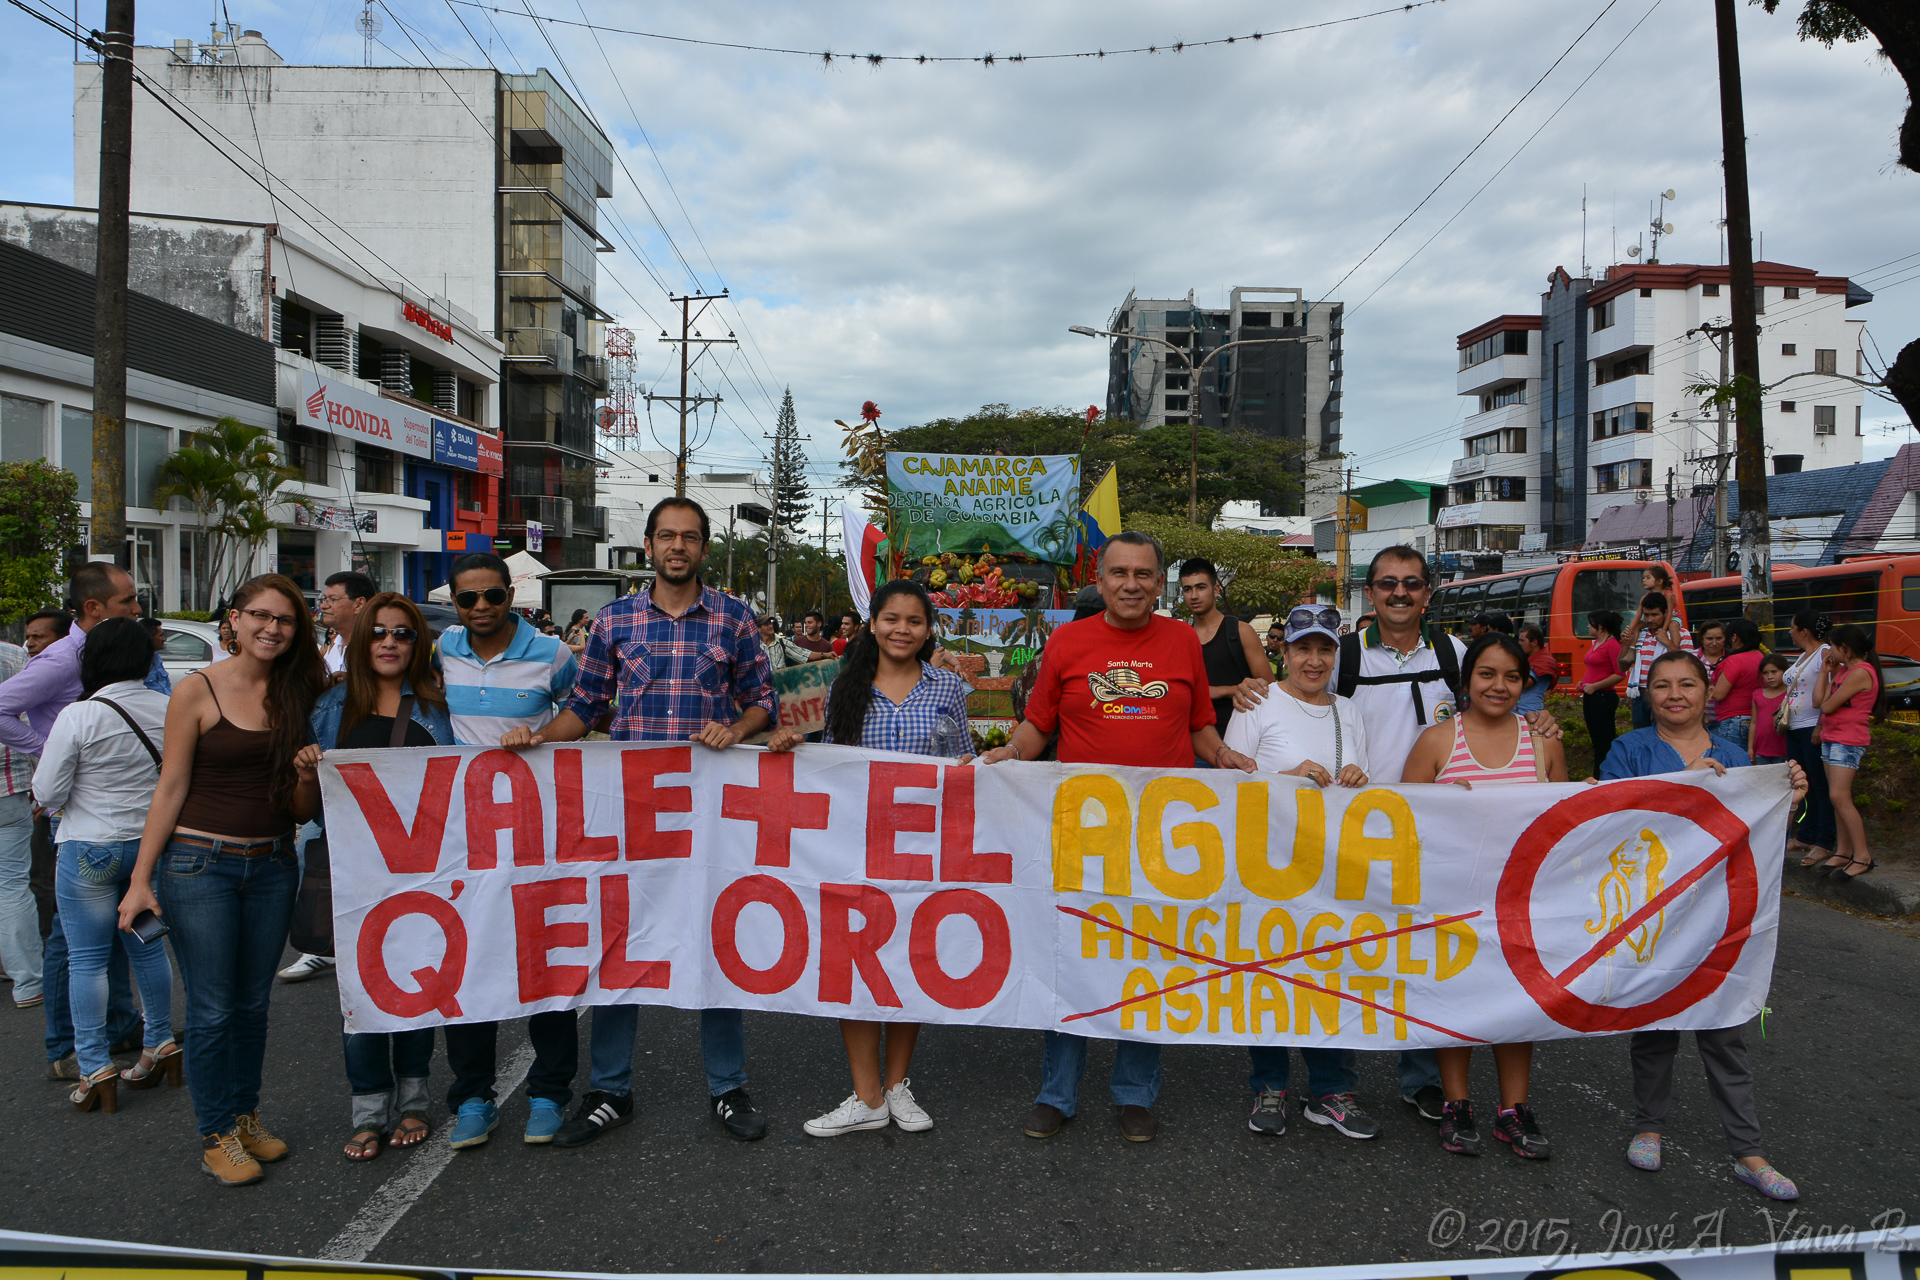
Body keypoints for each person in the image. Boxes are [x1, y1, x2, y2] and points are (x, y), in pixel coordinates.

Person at [502, 498, 779, 1147]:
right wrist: (538, 741)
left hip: (709, 818)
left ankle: (728, 1087)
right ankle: (610, 1090)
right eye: (666, 536)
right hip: (631, 815)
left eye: (689, 537)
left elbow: (763, 701)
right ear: (649, 546)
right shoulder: (615, 620)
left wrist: (736, 727)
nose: (677, 547)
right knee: (619, 946)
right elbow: (588, 705)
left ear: (703, 548)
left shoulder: (735, 621)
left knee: (715, 941)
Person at [976, 530, 1256, 1143]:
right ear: (1099, 581)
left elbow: (1200, 729)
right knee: (1072, 956)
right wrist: (1008, 755)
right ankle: (1057, 1093)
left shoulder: (1184, 641)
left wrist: (1226, 756)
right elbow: (1037, 727)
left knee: (1145, 962)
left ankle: (1134, 1093)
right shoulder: (1068, 642)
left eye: (1145, 575)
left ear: (1161, 584)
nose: (1132, 585)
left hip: (1161, 835)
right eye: (1119, 574)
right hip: (1083, 831)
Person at [1332, 547, 1558, 1124]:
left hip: (1443, 842)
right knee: (1346, 953)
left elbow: (1494, 702)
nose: (1399, 593)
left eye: (1412, 583)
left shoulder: (1453, 652)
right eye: (1387, 584)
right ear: (1372, 593)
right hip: (1359, 829)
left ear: (1428, 593)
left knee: (1425, 958)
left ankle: (1425, 1080)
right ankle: (1339, 1082)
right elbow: (1305, 698)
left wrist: (1539, 719)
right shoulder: (1344, 656)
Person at [117, 574, 326, 1186]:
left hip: (273, 863)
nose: (271, 628)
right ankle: (216, 1133)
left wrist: (309, 775)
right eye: (259, 615)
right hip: (197, 864)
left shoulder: (301, 691)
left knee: (252, 1005)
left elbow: (298, 810)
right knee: (210, 1010)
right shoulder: (195, 687)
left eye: (284, 620)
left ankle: (244, 1114)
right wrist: (140, 879)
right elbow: (171, 787)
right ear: (233, 619)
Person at [764, 579, 971, 1137]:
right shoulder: (840, 687)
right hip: (855, 848)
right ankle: (867, 1095)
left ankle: (899, 1086)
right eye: (892, 619)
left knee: (910, 965)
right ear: (872, 624)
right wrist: (792, 746)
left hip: (923, 851)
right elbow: (829, 764)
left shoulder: (949, 688)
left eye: (915, 621)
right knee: (855, 967)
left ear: (929, 630)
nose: (902, 629)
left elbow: (962, 763)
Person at [1598, 648, 1806, 1202]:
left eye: (1687, 683)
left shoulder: (1738, 756)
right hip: (1654, 916)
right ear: (1647, 694)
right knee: (1655, 1027)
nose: (1674, 695)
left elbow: (1762, 843)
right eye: (1661, 685)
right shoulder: (1628, 749)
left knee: (1724, 1031)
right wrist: (1681, 785)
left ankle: (1748, 1151)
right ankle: (1649, 1126)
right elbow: (1605, 820)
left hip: (1717, 917)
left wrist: (1790, 802)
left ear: (1707, 691)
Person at [293, 593, 453, 1161]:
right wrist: (308, 772)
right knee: (359, 996)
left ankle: (414, 1102)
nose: (389, 642)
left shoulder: (437, 707)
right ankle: (367, 1110)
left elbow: (458, 793)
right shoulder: (332, 708)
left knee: (411, 989)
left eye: (403, 634)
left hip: (420, 877)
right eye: (379, 632)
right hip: (351, 876)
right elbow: (305, 810)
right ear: (363, 642)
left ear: (418, 644)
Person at [432, 552, 582, 1149]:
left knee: (547, 962)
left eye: (492, 596)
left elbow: (584, 710)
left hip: (538, 836)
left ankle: (549, 1093)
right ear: (455, 601)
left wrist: (542, 736)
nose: (482, 608)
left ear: (510, 593)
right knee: (468, 964)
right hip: (462, 841)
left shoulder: (554, 653)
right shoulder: (442, 649)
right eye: (468, 599)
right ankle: (473, 1097)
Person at [1403, 633, 1566, 1160]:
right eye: (1487, 674)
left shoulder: (1544, 741)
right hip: (1452, 899)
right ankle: (1457, 1105)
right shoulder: (1436, 742)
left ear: (1526, 683)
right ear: (1466, 680)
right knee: (1458, 1000)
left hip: (1523, 904)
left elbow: (1564, 820)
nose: (1499, 686)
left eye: (1512, 677)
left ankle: (1513, 1111)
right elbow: (1407, 825)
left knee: (1517, 1005)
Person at [1221, 603, 1377, 1141]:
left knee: (1332, 973)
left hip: (1334, 869)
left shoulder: (1350, 710)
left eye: (1325, 648)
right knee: (1268, 970)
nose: (1314, 660)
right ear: (1282, 652)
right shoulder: (1257, 702)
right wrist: (1283, 777)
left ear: (1337, 653)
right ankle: (1269, 1084)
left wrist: (1359, 777)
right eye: (1302, 648)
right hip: (1269, 865)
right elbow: (1230, 783)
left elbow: (1365, 785)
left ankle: (1333, 1089)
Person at [32, 618, 178, 1114]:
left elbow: (48, 792)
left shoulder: (79, 716)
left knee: (87, 960)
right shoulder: (168, 707)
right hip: (149, 848)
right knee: (148, 949)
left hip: (89, 850)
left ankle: (95, 1067)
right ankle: (160, 1043)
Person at [0, 566, 145, 1029]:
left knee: (126, 927)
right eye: (128, 600)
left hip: (120, 812)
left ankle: (122, 1025)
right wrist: (44, 749)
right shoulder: (62, 660)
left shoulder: (115, 650)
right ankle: (66, 1044)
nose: (137, 608)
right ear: (93, 608)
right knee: (72, 937)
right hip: (75, 813)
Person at [1812, 623, 1883, 879]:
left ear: (1845, 648)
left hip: (1848, 740)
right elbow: (1818, 702)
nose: (1829, 650)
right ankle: (1843, 851)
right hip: (1833, 737)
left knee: (1839, 797)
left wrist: (1827, 700)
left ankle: (1862, 856)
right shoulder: (1843, 671)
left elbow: (1828, 707)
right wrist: (1824, 673)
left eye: (1832, 645)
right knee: (1837, 798)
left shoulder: (1861, 672)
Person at [1178, 558, 1272, 740]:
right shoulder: (1182, 637)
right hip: (1196, 741)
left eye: (1201, 587)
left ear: (1216, 590)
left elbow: (1268, 687)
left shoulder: (1240, 631)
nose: (1194, 595)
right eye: (1188, 589)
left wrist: (1221, 691)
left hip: (1241, 738)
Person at [1781, 611, 1836, 863]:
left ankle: (1825, 840)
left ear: (1804, 631)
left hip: (1811, 726)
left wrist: (1819, 726)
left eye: (1792, 628)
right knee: (1803, 785)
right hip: (1794, 728)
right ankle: (1806, 834)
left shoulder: (1824, 653)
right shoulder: (1803, 657)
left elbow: (1831, 690)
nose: (1789, 632)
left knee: (1820, 786)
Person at [1623, 588, 1690, 730]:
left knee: (1665, 734)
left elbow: (1688, 666)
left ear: (1666, 613)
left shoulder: (1681, 634)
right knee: (1641, 736)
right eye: (1646, 615)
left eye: (1655, 615)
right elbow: (1622, 666)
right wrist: (1626, 644)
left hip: (1666, 693)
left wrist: (1667, 642)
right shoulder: (1640, 634)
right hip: (1640, 693)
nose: (1650, 620)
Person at [1580, 610, 1626, 775]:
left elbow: (1620, 674)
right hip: (1591, 696)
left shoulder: (1612, 644)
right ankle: (1599, 774)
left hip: (1603, 698)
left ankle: (1604, 775)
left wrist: (1595, 686)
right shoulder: (1597, 643)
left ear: (1600, 626)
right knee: (1597, 741)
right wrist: (1585, 683)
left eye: (1590, 623)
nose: (1587, 626)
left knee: (1603, 742)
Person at [1708, 619, 1765, 750]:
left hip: (1733, 721)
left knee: (1733, 764)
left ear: (1734, 637)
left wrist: (1706, 684)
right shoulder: (1760, 656)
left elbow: (1719, 694)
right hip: (1755, 718)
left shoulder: (1735, 661)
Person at [317, 571, 375, 678]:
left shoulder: (375, 650)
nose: (323, 606)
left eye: (333, 599)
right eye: (324, 599)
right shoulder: (335, 646)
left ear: (359, 604)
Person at [1749, 654, 1791, 765]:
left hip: (1783, 750)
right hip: (1761, 750)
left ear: (1785, 671)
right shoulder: (1757, 694)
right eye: (1765, 673)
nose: (1770, 676)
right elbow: (1753, 723)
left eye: (1774, 672)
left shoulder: (1790, 694)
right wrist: (1750, 748)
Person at [1515, 625, 1558, 715]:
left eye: (1522, 640)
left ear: (1534, 642)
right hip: (1517, 713)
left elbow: (1523, 684)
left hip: (1529, 715)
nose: (1519, 643)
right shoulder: (1528, 659)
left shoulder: (1544, 661)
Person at [1694, 620, 1728, 733]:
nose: (1714, 643)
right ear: (1702, 639)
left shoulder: (1732, 659)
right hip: (1695, 720)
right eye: (1709, 639)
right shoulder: (1690, 658)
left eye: (1719, 638)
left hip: (1723, 721)